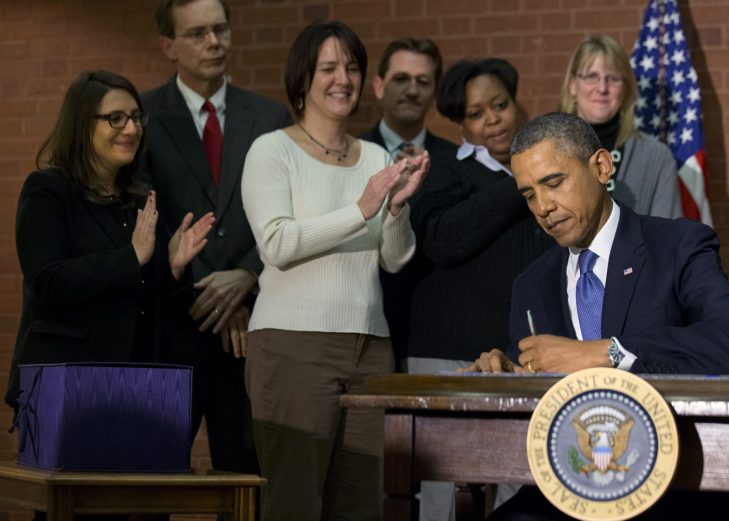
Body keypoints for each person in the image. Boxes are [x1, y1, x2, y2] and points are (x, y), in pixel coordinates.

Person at [463, 111, 729, 520]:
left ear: (601, 167)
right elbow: (536, 403)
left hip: (676, 479)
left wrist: (609, 354)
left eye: (554, 183)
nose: (544, 207)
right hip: (571, 487)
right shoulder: (531, 284)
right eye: (529, 195)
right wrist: (504, 373)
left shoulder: (676, 245)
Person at [241, 20, 429, 521]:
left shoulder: (374, 155)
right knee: (295, 501)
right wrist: (363, 208)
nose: (342, 78)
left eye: (351, 67)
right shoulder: (271, 150)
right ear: (302, 79)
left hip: (371, 345)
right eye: (328, 68)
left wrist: (395, 210)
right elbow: (277, 243)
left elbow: (393, 257)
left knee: (364, 503)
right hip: (291, 343)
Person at [4, 70, 213, 419]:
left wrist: (173, 269)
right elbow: (49, 282)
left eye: (135, 117)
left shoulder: (134, 202)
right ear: (82, 124)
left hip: (139, 386)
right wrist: (130, 258)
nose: (130, 129)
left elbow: (146, 302)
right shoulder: (47, 190)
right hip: (66, 384)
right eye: (115, 119)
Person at [140, 0, 292, 477]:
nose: (214, 42)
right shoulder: (140, 114)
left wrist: (245, 278)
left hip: (248, 328)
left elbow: (285, 211)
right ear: (169, 45)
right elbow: (146, 216)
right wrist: (212, 297)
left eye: (221, 30)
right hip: (173, 326)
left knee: (246, 477)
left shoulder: (269, 116)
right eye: (198, 33)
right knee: (153, 475)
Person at [404, 58, 555, 521]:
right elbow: (443, 240)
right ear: (459, 122)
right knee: (441, 494)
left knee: (521, 483)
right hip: (446, 353)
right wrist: (518, 181)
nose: (492, 120)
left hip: (517, 359)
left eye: (500, 105)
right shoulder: (447, 169)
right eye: (475, 113)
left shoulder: (547, 181)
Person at [360, 36, 457, 366]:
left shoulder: (456, 162)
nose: (412, 90)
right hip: (362, 323)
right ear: (378, 85)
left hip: (434, 329)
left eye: (423, 81)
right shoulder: (350, 155)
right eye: (401, 79)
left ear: (434, 90)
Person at [559, 35, 681, 220]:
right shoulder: (548, 150)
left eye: (613, 78)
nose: (602, 88)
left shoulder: (656, 157)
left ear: (625, 89)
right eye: (592, 76)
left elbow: (668, 238)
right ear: (573, 85)